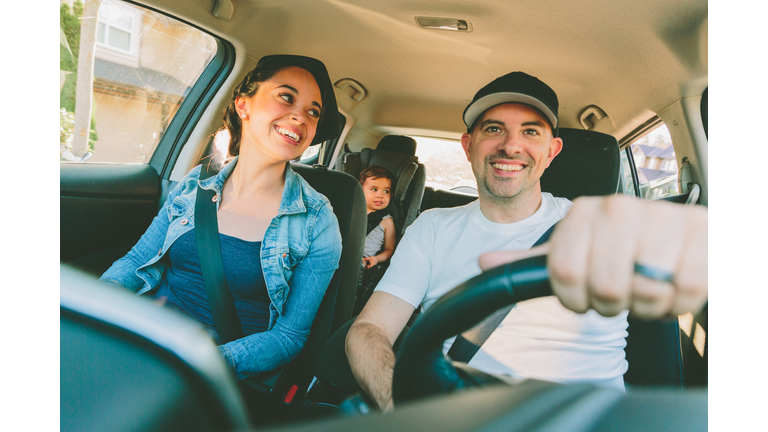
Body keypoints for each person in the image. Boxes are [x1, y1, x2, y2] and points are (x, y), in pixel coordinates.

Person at [344, 71, 708, 410]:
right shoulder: (431, 228)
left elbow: (686, 255)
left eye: (531, 132)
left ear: (552, 151)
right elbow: (368, 330)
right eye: (494, 129)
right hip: (463, 418)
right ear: (469, 146)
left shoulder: (601, 223)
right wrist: (402, 410)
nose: (511, 146)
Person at [99, 55, 344, 381]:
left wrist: (200, 364)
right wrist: (96, 312)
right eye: (286, 97)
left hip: (211, 374)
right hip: (142, 338)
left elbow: (290, 336)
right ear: (244, 106)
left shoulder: (317, 222)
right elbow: (136, 262)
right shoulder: (193, 185)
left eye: (313, 112)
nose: (301, 116)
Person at [360, 165, 397, 270]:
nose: (380, 195)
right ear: (360, 189)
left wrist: (377, 259)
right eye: (374, 189)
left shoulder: (387, 222)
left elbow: (389, 250)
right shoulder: (351, 211)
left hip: (364, 263)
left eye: (386, 191)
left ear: (391, 195)